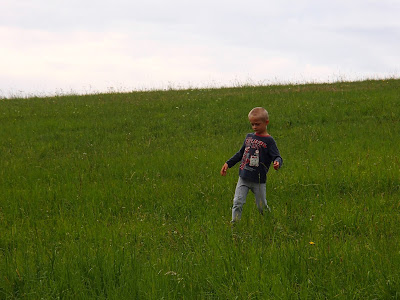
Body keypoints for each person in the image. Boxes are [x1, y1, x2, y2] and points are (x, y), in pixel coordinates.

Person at [220, 107, 283, 222]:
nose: (254, 127)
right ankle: (235, 225)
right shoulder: (249, 137)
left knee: (261, 207)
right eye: (252, 124)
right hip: (243, 177)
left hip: (258, 180)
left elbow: (277, 156)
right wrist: (228, 163)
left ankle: (272, 223)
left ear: (266, 122)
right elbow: (240, 153)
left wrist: (277, 162)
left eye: (257, 124)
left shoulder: (269, 141)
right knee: (237, 202)